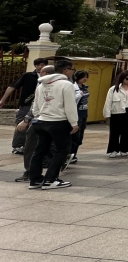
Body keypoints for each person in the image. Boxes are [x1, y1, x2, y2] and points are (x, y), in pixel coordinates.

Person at [27, 58, 78, 190]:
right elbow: (70, 106)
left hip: (41, 121)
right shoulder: (66, 85)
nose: (73, 72)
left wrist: (39, 116)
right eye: (72, 69)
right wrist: (74, 123)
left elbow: (36, 105)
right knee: (62, 150)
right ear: (66, 70)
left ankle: (35, 179)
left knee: (40, 150)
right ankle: (50, 179)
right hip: (58, 121)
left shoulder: (42, 84)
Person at [1, 57, 48, 155]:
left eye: (43, 65)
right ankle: (18, 146)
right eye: (39, 65)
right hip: (27, 103)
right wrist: (3, 99)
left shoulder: (48, 78)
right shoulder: (28, 76)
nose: (41, 67)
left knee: (35, 126)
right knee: (21, 124)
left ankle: (31, 146)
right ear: (35, 66)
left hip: (41, 105)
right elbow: (12, 87)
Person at [103, 70, 128, 158]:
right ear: (122, 78)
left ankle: (124, 149)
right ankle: (113, 150)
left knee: (127, 132)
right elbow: (108, 102)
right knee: (114, 132)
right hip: (116, 111)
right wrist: (107, 114)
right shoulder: (114, 89)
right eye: (127, 78)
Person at [70, 70, 90, 163]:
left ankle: (74, 154)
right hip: (76, 113)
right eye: (83, 77)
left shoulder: (85, 87)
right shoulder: (73, 87)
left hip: (83, 113)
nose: (85, 79)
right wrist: (78, 95)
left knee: (80, 134)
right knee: (75, 135)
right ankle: (70, 154)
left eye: (86, 77)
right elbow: (71, 100)